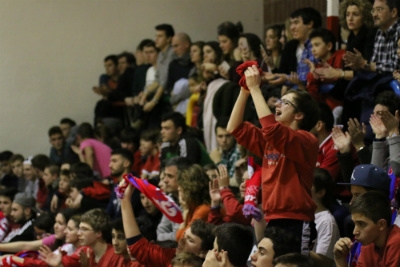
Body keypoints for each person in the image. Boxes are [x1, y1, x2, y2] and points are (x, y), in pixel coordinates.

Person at [227, 65, 319, 254]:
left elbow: (271, 129)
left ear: (299, 115)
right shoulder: (270, 141)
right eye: (279, 101)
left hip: (296, 220)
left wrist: (255, 89)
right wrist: (244, 91)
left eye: (285, 103)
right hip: (272, 218)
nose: (277, 104)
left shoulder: (306, 140)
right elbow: (234, 128)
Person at [119, 178, 215, 267]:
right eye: (184, 235)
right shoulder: (172, 256)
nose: (181, 241)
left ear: (203, 252)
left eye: (190, 240)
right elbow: (138, 247)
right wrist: (125, 200)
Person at [40, 208, 133, 267]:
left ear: (98, 233)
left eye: (84, 229)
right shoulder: (89, 254)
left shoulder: (116, 256)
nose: (79, 233)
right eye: (79, 229)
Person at [333, 191, 400, 267]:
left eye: (361, 224)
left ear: (381, 224)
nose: (355, 232)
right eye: (355, 224)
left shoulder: (397, 242)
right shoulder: (369, 243)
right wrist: (340, 260)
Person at [310, 168, 340, 267]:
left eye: (307, 185)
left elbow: (324, 262)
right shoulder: (298, 214)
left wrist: (299, 247)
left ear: (320, 193)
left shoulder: (326, 221)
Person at [106, 148, 143, 220]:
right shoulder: (116, 184)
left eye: (114, 161)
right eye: (110, 161)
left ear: (126, 163)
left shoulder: (135, 185)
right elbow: (109, 212)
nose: (110, 165)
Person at [209, 117, 242, 186]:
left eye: (228, 136)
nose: (224, 140)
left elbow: (232, 182)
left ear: (234, 135)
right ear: (216, 137)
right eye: (220, 136)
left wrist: (218, 163)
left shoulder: (239, 151)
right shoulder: (215, 153)